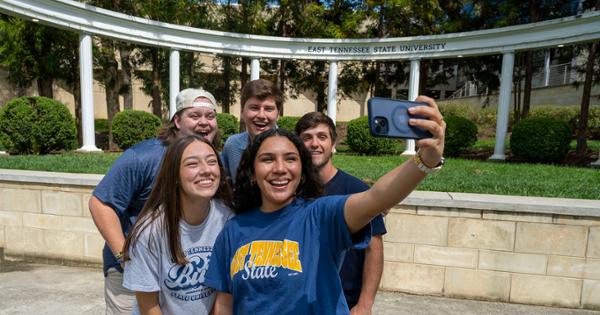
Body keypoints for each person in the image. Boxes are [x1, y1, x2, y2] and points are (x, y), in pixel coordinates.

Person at [204, 96, 445, 314]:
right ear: (253, 173)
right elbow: (225, 303)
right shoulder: (233, 230)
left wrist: (425, 160)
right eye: (267, 159)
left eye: (290, 159)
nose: (280, 168)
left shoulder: (321, 215)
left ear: (302, 171)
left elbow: (377, 197)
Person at [89, 88, 219, 315]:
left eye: (210, 116)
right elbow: (100, 203)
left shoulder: (212, 159)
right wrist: (124, 257)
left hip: (182, 276)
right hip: (132, 276)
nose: (204, 123)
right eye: (195, 116)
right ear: (177, 121)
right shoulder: (143, 157)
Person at [122, 135, 233, 315]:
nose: (206, 170)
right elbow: (148, 306)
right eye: (192, 164)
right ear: (174, 175)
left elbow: (224, 294)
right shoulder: (149, 231)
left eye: (212, 162)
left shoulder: (227, 218)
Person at [295, 112, 386, 314]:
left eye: (322, 137)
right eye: (307, 138)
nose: (314, 143)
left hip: (344, 300)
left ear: (333, 144)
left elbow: (374, 249)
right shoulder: (289, 190)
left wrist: (365, 303)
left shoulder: (357, 190)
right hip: (298, 300)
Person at [221, 79, 284, 182]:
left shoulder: (292, 147)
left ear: (278, 114)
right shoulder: (232, 146)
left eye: (268, 109)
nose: (261, 115)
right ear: (242, 112)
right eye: (254, 108)